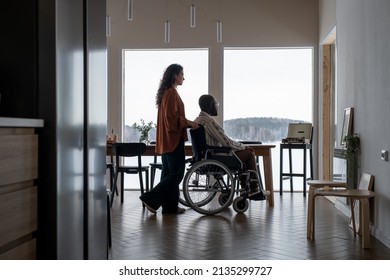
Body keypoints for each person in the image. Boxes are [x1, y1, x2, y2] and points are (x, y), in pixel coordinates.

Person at [140, 64, 198, 214]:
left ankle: (169, 207)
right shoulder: (171, 93)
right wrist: (189, 123)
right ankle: (150, 197)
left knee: (168, 173)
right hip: (172, 140)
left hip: (165, 140)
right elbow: (172, 120)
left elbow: (170, 118)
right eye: (181, 75)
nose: (183, 78)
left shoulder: (166, 93)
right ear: (175, 76)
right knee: (176, 174)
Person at [194, 94, 270, 199]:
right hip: (217, 157)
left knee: (243, 154)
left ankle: (247, 188)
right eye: (216, 104)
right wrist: (243, 146)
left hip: (207, 156)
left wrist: (240, 146)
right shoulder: (209, 122)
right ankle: (253, 189)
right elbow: (226, 142)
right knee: (249, 153)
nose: (217, 107)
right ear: (210, 106)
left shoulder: (197, 120)